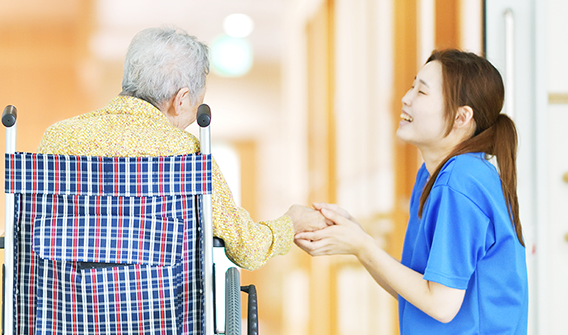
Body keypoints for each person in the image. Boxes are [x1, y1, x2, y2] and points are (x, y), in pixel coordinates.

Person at [37, 26, 325, 270]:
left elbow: (25, 231)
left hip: (64, 311)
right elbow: (248, 249)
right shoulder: (186, 155)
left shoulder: (58, 139)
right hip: (158, 314)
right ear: (182, 100)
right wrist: (292, 222)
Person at [295, 49, 528, 334]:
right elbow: (417, 293)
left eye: (422, 91)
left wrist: (362, 245)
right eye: (412, 85)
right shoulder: (434, 176)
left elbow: (441, 305)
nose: (405, 98)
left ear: (460, 117)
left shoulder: (461, 180)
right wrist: (358, 239)